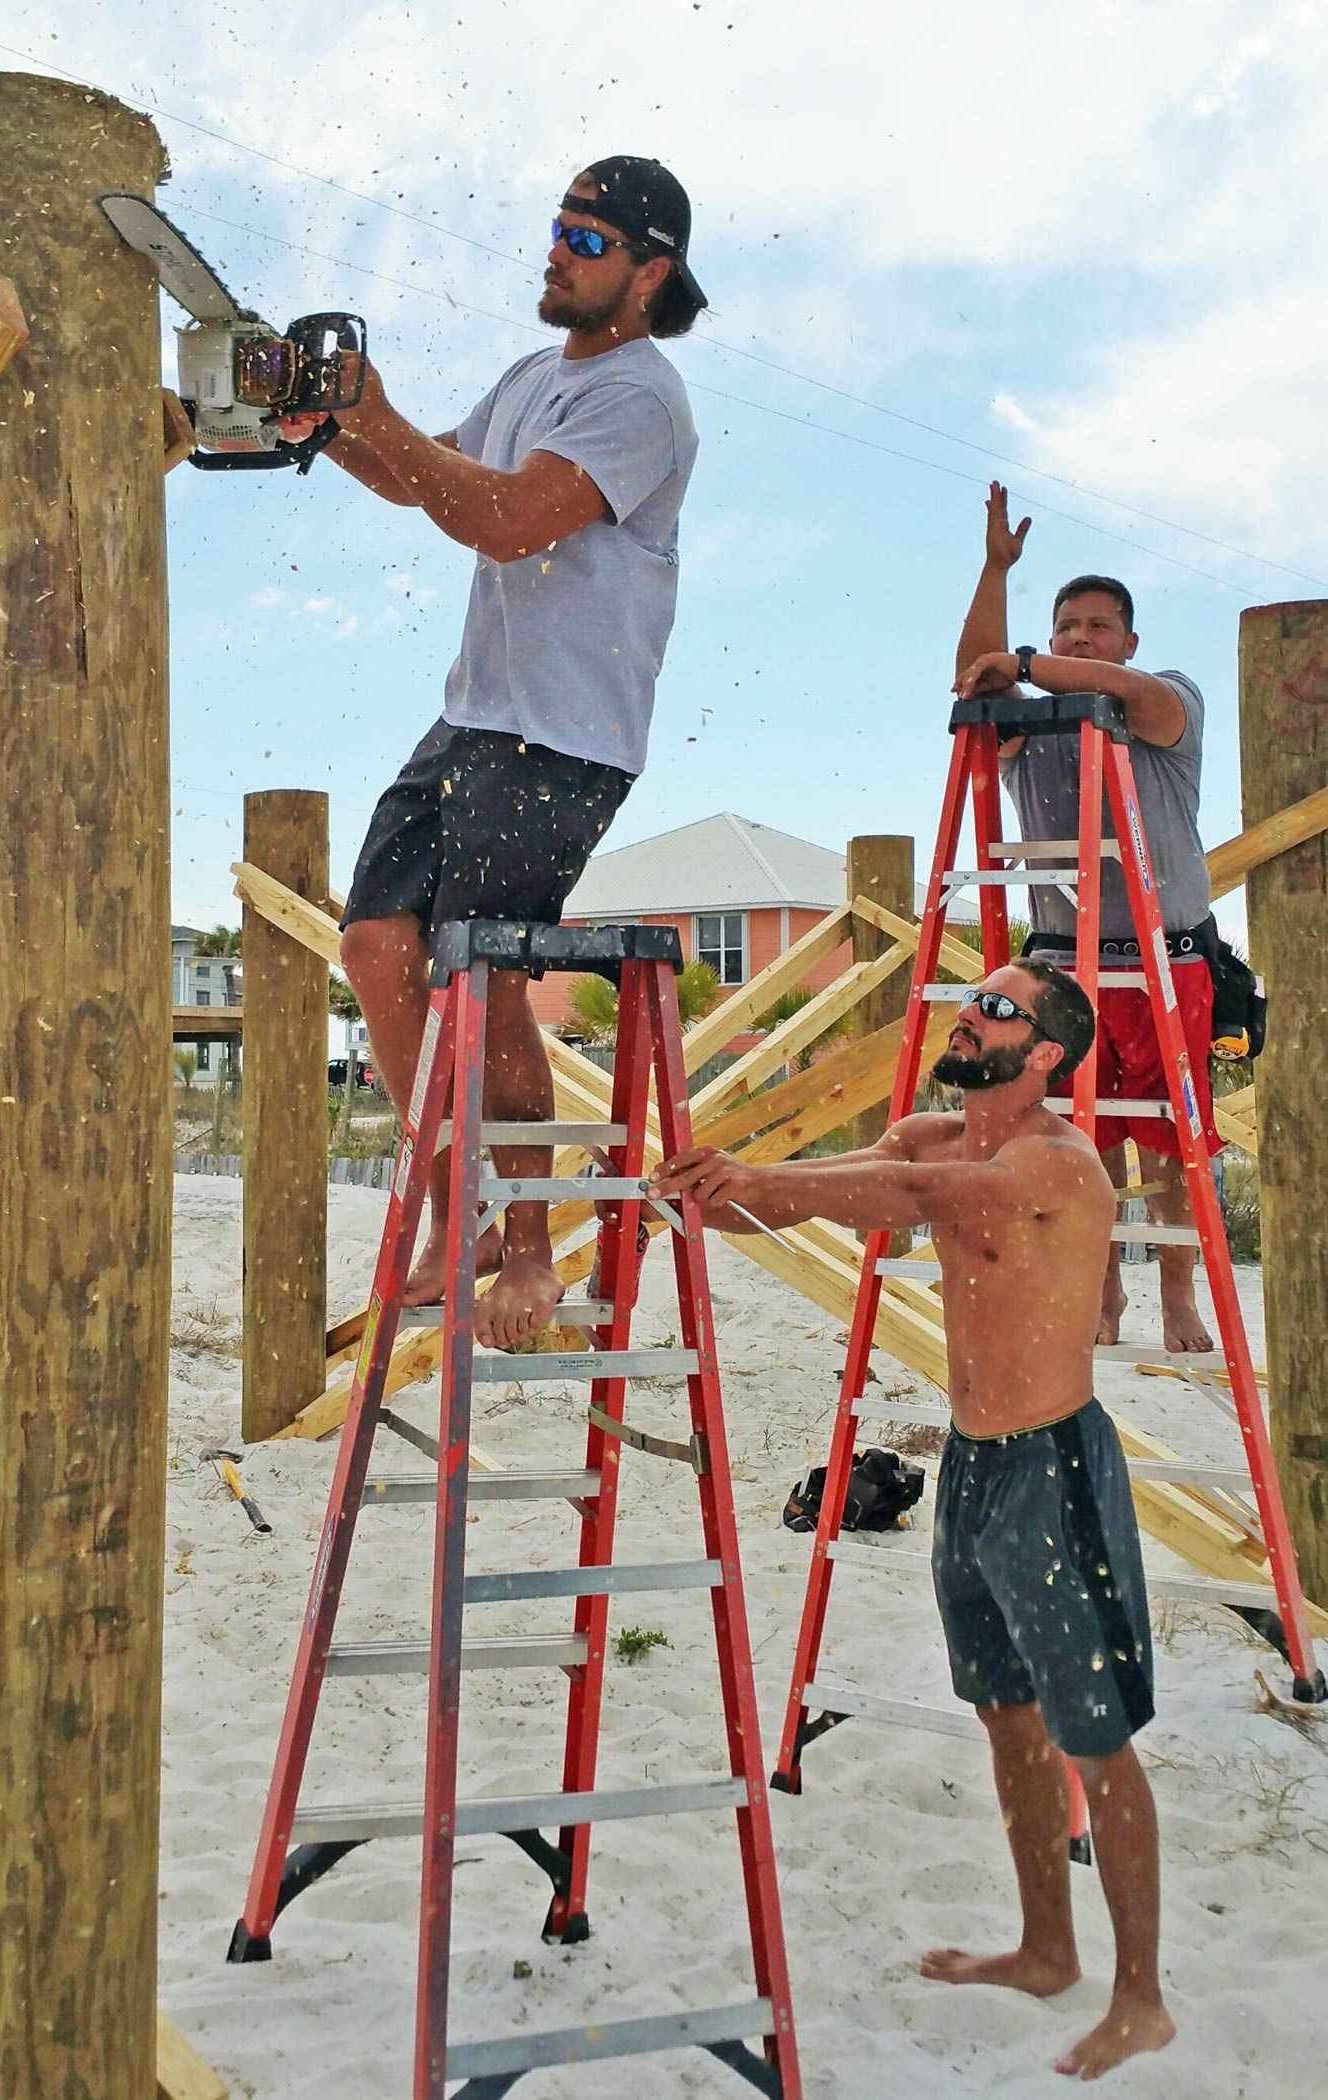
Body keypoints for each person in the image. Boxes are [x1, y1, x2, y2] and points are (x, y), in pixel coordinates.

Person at [649, 962, 1176, 2081]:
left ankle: (1143, 1996)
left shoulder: (1055, 1161)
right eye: (971, 996)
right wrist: (711, 1184)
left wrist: (757, 1176)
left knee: (1097, 1739)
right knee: (1004, 1715)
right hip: (975, 1468)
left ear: (1042, 1054)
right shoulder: (933, 1133)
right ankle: (1045, 1947)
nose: (969, 1012)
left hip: (1054, 1468)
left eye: (999, 1008)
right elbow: (830, 1186)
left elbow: (908, 1206)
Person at [280, 157, 703, 1348]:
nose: (557, 249)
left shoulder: (639, 397)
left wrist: (378, 414)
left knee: (484, 973)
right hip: (477, 714)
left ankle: (524, 1244)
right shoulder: (532, 376)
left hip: (567, 734)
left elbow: (505, 519)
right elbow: (434, 482)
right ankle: (461, 1208)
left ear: (649, 268)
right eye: (556, 226)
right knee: (374, 946)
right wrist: (331, 424)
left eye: (586, 235)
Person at [952, 484, 1221, 1352]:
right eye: (1068, 624)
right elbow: (976, 682)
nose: (1079, 638)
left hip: (1164, 959)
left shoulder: (1166, 700)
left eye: (1096, 626)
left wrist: (1029, 660)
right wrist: (996, 572)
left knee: (1171, 1143)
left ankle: (1178, 1296)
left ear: (1130, 640)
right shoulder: (1042, 718)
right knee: (1084, 1141)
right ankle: (1103, 1299)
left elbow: (1109, 687)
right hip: (1066, 965)